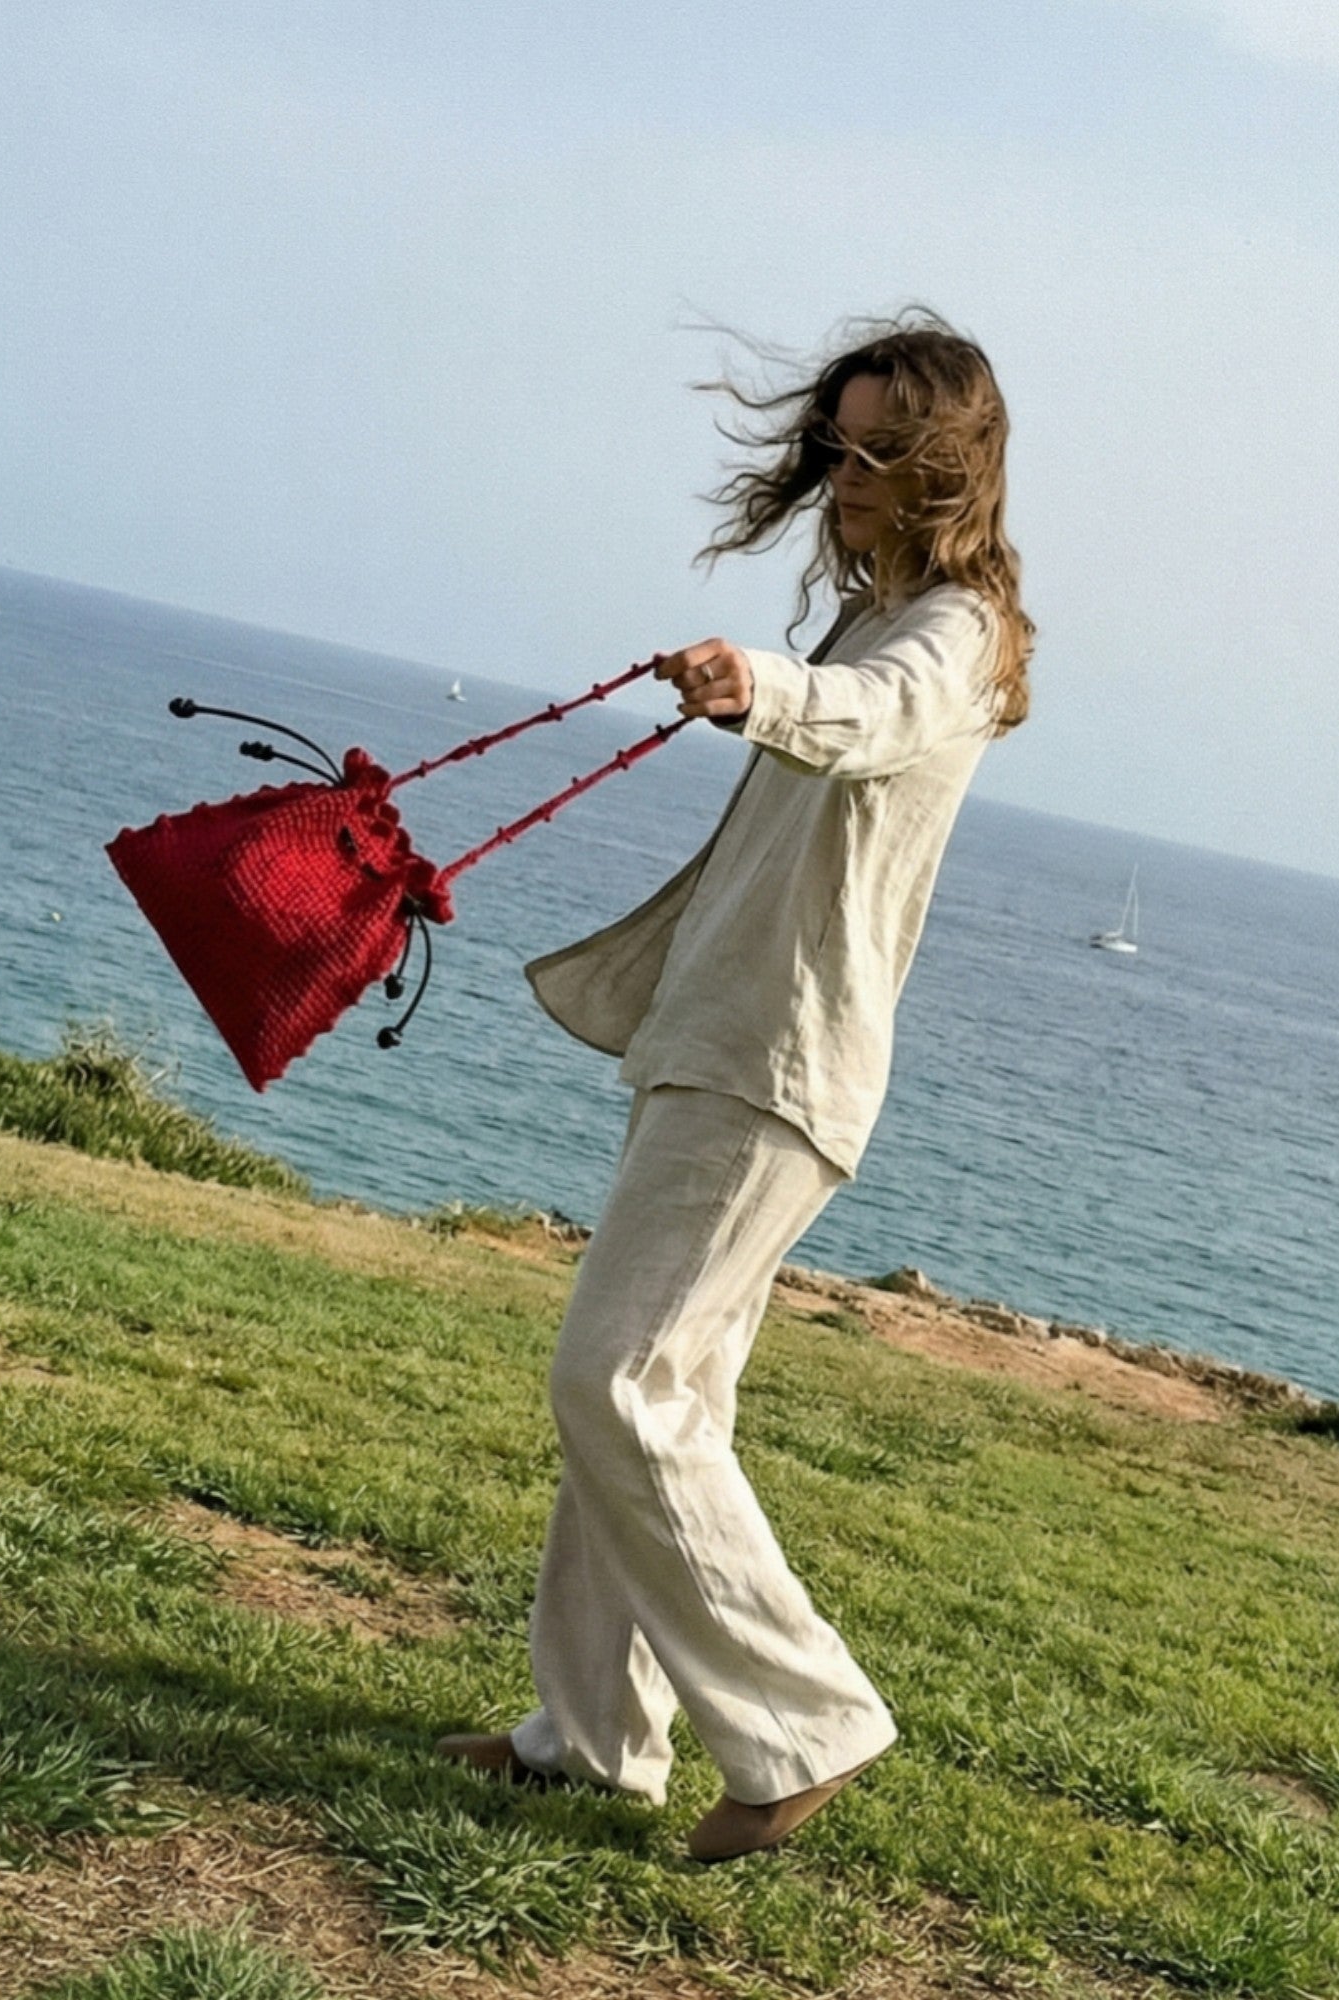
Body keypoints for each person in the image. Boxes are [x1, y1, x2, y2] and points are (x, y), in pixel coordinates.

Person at [436, 309, 1034, 1862]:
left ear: (948, 463)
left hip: (778, 1064)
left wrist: (756, 685)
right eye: (838, 440)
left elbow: (866, 724)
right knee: (655, 1396)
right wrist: (775, 680)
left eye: (881, 445)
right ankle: (591, 1741)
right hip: (721, 1043)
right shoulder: (876, 617)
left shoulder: (952, 636)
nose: (845, 470)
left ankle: (807, 1725)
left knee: (613, 1382)